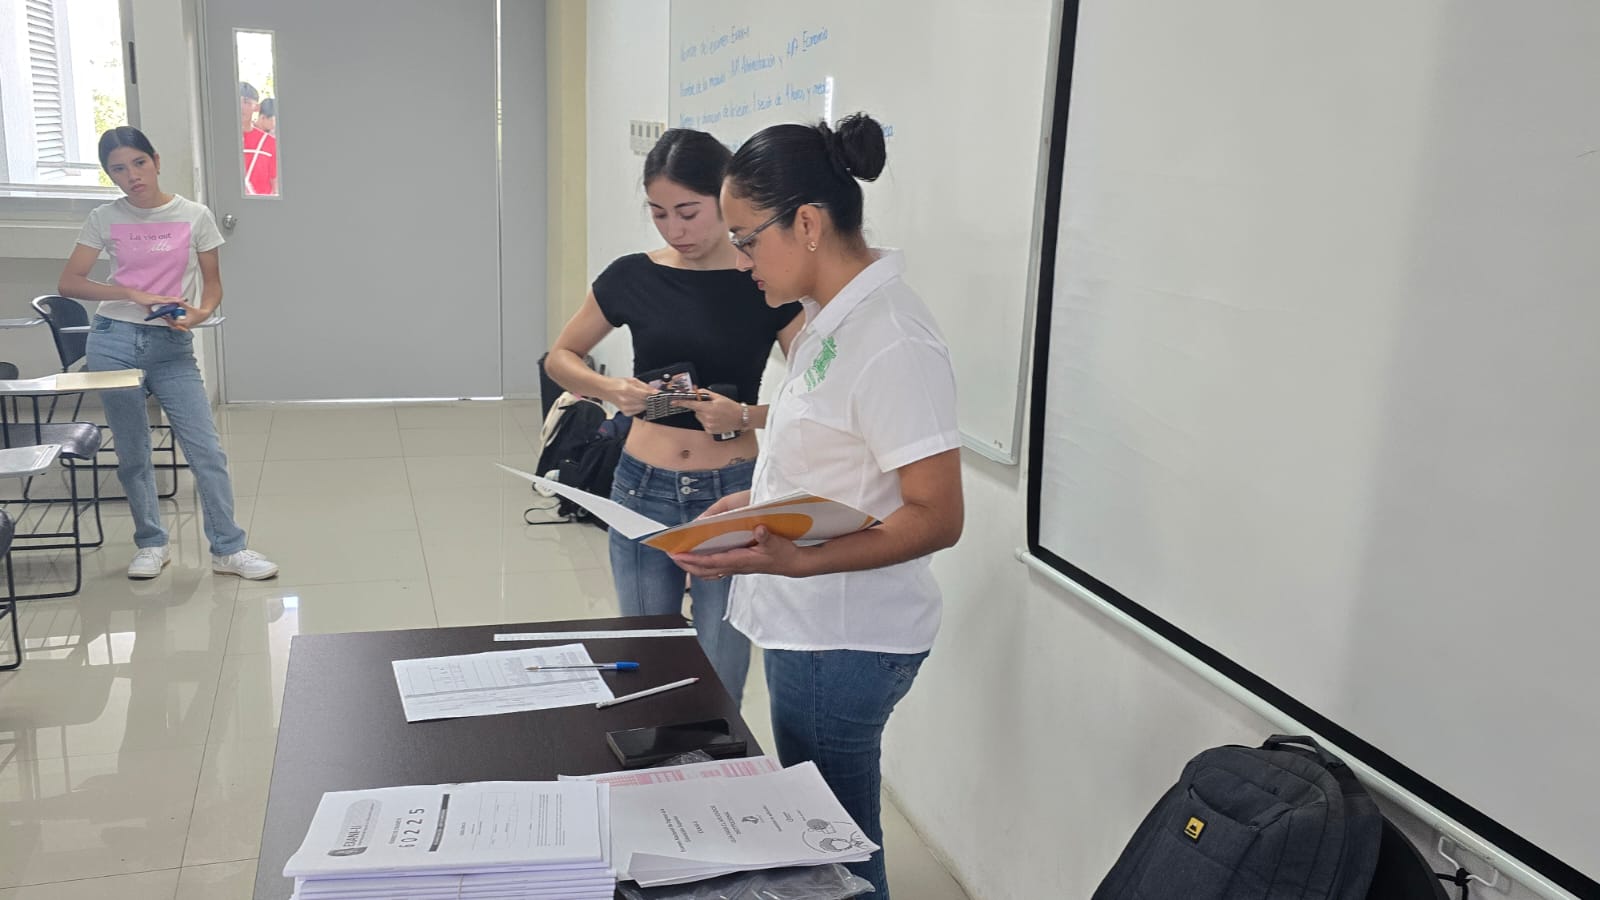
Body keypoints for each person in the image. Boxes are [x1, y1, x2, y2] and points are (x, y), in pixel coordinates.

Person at [670, 113, 964, 898]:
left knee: (838, 858)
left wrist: (800, 561)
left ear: (806, 224)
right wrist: (753, 503)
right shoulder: (831, 323)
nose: (739, 262)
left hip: (845, 637)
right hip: (811, 624)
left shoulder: (893, 341)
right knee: (824, 838)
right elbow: (838, 460)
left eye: (745, 239)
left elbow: (937, 515)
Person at [545, 129, 803, 704]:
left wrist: (747, 414)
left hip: (732, 491)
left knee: (721, 671)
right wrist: (610, 388)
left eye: (688, 212)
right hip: (642, 487)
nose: (674, 230)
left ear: (725, 198)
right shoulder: (632, 276)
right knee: (645, 661)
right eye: (658, 214)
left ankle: (710, 759)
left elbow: (819, 396)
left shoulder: (764, 281)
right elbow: (561, 357)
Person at [58, 126, 279, 581]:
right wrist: (130, 292)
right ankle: (151, 543)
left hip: (171, 345)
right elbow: (70, 282)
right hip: (113, 339)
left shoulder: (194, 215)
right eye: (119, 169)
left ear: (156, 161)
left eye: (139, 163)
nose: (132, 176)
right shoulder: (103, 217)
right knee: (133, 451)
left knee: (206, 450)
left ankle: (228, 549)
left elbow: (213, 285)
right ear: (110, 175)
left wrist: (199, 314)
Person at [242, 88, 278, 196]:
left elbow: (275, 180)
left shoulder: (270, 141)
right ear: (262, 117)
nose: (242, 106)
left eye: (246, 102)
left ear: (256, 107)